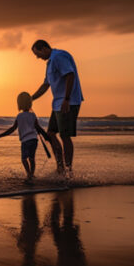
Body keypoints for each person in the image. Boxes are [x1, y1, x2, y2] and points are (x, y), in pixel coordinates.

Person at [30, 40, 83, 176]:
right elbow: (45, 85)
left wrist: (67, 99)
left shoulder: (59, 56)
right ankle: (60, 167)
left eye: (38, 54)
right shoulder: (49, 63)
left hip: (68, 102)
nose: (38, 57)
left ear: (44, 48)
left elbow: (70, 75)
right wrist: (31, 98)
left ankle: (68, 170)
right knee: (51, 134)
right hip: (58, 104)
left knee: (65, 136)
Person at [0, 92, 48, 182]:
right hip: (34, 140)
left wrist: (0, 135)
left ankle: (29, 174)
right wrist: (46, 136)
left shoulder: (19, 116)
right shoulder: (33, 115)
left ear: (19, 104)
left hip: (25, 141)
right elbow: (38, 127)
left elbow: (12, 129)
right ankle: (32, 174)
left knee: (24, 159)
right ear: (30, 103)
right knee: (31, 158)